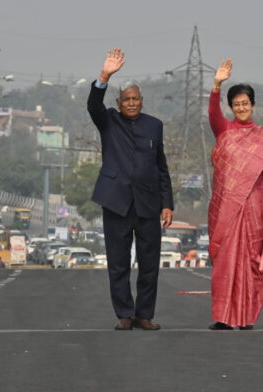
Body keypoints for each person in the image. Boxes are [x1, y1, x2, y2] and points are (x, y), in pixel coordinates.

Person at [87, 48, 174, 331]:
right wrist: (105, 75)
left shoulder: (154, 126)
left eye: (136, 99)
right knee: (118, 263)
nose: (132, 103)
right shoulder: (108, 121)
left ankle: (144, 315)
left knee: (149, 264)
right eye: (127, 99)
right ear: (119, 102)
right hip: (116, 203)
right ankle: (125, 314)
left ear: (142, 101)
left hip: (148, 205)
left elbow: (161, 167)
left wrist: (167, 204)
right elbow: (93, 106)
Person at [207, 59, 263, 331]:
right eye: (236, 104)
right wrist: (217, 85)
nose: (241, 108)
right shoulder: (225, 130)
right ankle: (223, 317)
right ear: (231, 108)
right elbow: (212, 115)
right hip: (227, 209)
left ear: (253, 105)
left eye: (245, 103)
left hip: (255, 207)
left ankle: (247, 317)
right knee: (225, 262)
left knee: (252, 263)